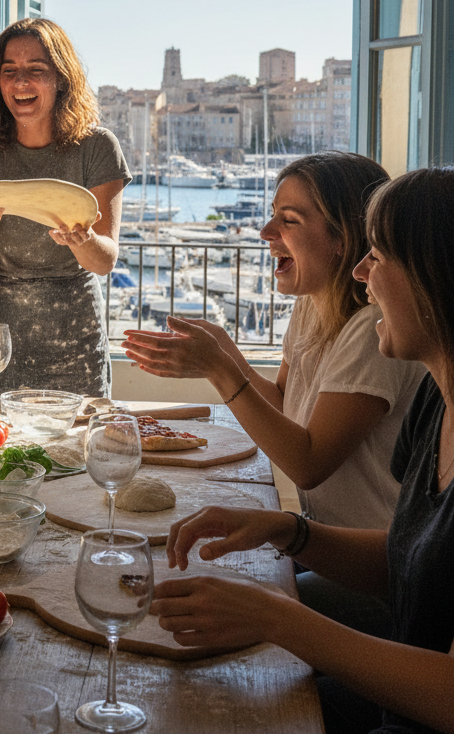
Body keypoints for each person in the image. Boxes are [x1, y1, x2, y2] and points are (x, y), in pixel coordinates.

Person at [150, 167, 454, 734]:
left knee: (232, 672)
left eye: (380, 256)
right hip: (383, 641)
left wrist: (277, 615)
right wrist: (287, 531)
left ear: (437, 277)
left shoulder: (370, 334)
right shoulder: (439, 409)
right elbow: (410, 559)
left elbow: (309, 461)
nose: (364, 273)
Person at [123, 152, 424, 632]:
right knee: (187, 580)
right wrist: (228, 355)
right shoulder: (313, 305)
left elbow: (307, 462)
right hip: (324, 547)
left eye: (288, 220)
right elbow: (285, 406)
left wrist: (221, 371)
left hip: (378, 573)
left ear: (343, 240)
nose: (265, 232)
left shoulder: (372, 331)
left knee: (179, 610)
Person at [0, 17, 130, 398]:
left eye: (36, 70)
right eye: (8, 71)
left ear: (61, 79)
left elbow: (104, 261)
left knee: (74, 453)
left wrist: (82, 240)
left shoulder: (98, 147)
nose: (20, 82)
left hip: (73, 340)